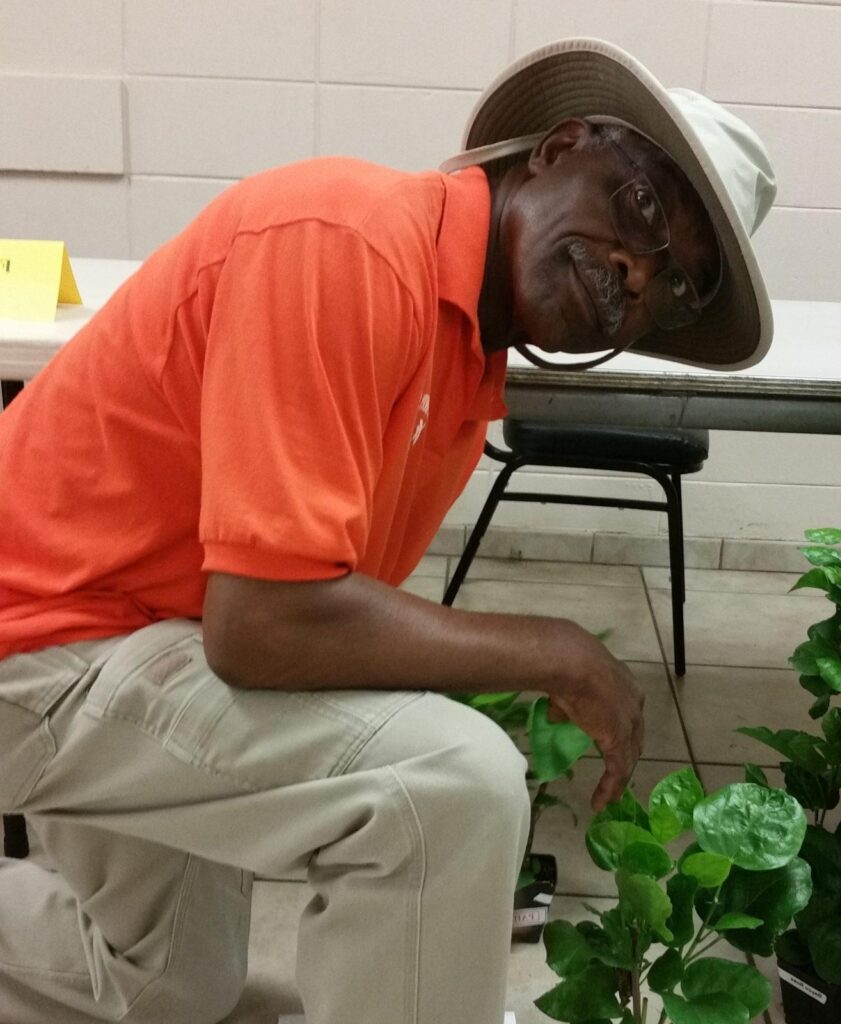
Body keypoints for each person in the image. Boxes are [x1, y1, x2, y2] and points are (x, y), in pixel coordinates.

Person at [0, 38, 776, 1024]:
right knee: (447, 786)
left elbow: (307, 629)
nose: (636, 271)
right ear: (556, 149)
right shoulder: (348, 239)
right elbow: (265, 626)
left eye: (674, 287)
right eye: (642, 208)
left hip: (134, 627)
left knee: (162, 983)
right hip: (38, 636)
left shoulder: (460, 356)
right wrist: (558, 652)